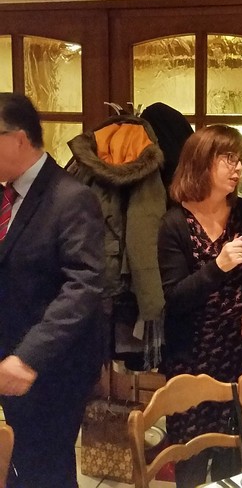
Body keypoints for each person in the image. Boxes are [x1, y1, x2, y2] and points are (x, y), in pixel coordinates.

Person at [0, 93, 105, 488]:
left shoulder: (71, 197)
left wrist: (29, 357)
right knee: (19, 461)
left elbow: (84, 285)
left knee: (44, 469)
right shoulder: (5, 193)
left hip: (51, 365)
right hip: (10, 354)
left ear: (18, 138)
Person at [158, 124, 242, 488]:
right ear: (202, 161)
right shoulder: (174, 223)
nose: (238, 168)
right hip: (192, 358)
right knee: (190, 458)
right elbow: (174, 299)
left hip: (239, 354)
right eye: (229, 158)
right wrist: (218, 267)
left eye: (241, 160)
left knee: (233, 459)